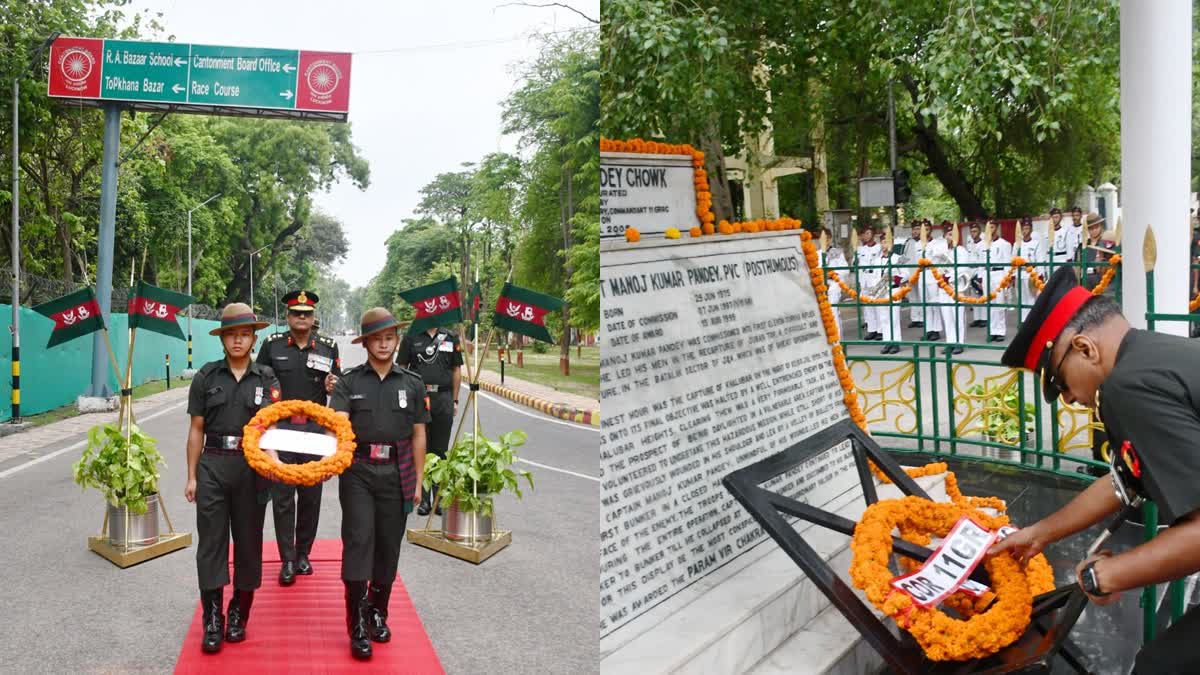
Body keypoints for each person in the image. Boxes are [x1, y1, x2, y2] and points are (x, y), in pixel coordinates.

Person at [990, 265, 1200, 674]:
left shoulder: (1128, 387)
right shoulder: (1150, 355)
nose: (1068, 398)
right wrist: (1038, 534)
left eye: (1059, 381)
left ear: (1085, 348)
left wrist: (1106, 576)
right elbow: (1123, 479)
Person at [330, 307, 430, 660]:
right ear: (367, 342)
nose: (384, 344)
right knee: (359, 540)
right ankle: (356, 621)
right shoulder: (350, 382)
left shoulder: (412, 384)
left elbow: (419, 435)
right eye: (377, 338)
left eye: (389, 338)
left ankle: (377, 611)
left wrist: (419, 481)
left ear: (396, 340)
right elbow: (339, 423)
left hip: (398, 470)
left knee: (388, 544)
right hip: (357, 471)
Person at [186, 303, 281, 653]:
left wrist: (274, 464)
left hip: (252, 467)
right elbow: (196, 430)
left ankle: (239, 611)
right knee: (211, 543)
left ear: (253, 338)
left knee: (248, 542)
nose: (238, 340)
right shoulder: (207, 377)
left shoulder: (267, 378)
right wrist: (192, 476)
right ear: (223, 338)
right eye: (231, 334)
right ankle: (212, 617)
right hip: (213, 465)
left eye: (244, 334)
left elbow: (271, 427)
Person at [255, 289, 341, 584]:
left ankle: (304, 553)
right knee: (282, 498)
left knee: (310, 497)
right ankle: (287, 559)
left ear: (313, 317)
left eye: (306, 314)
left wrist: (333, 386)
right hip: (281, 430)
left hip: (315, 432)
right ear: (288, 317)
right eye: (296, 313)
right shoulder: (272, 345)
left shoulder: (328, 347)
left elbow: (336, 384)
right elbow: (262, 381)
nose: (301, 318)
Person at [397, 319, 464, 516]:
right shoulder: (411, 336)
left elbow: (456, 369)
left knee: (441, 449)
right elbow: (402, 367)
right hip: (418, 397)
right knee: (421, 449)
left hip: (443, 398)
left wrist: (455, 400)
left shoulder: (450, 336)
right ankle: (424, 499)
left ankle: (440, 498)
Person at [854, 225, 902, 354]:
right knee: (884, 318)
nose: (884, 245)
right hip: (881, 291)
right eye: (882, 242)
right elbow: (875, 276)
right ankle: (887, 342)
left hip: (893, 290)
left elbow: (906, 274)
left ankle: (896, 342)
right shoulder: (877, 260)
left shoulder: (898, 258)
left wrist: (894, 278)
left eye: (887, 242)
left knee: (893, 318)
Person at [926, 220, 965, 354]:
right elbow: (934, 264)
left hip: (957, 286)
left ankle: (959, 343)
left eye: (952, 234)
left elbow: (964, 269)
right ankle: (950, 342)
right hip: (943, 287)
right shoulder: (941, 251)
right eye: (948, 235)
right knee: (946, 315)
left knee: (957, 315)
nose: (950, 237)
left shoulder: (961, 250)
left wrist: (949, 277)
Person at [982, 220, 1013, 343]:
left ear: (997, 228)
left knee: (999, 303)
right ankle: (991, 330)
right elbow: (980, 261)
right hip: (987, 273)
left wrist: (1007, 278)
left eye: (993, 227)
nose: (991, 229)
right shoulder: (983, 244)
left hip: (998, 273)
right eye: (989, 227)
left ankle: (1000, 331)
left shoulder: (1004, 244)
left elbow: (1007, 262)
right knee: (988, 303)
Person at [1016, 216, 1047, 321]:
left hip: (1031, 274)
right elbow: (1012, 260)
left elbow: (1039, 260)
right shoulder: (1017, 244)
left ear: (1031, 230)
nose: (1025, 231)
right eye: (1023, 229)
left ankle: (1031, 320)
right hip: (1020, 274)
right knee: (1021, 299)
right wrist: (1012, 276)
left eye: (1027, 228)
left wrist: (1040, 275)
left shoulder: (1036, 244)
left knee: (1031, 299)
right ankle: (1022, 320)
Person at [965, 222, 988, 327]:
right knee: (974, 296)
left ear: (979, 232)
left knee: (981, 294)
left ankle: (984, 318)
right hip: (970, 270)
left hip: (979, 270)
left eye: (975, 231)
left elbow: (983, 261)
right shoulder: (970, 244)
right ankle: (977, 318)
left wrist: (980, 276)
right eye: (972, 231)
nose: (973, 233)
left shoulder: (983, 244)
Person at [904, 221, 926, 329]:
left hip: (921, 273)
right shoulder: (908, 242)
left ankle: (922, 318)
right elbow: (904, 256)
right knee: (912, 297)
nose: (915, 232)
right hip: (910, 273)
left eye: (918, 229)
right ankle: (915, 318)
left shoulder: (924, 242)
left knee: (922, 296)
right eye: (914, 229)